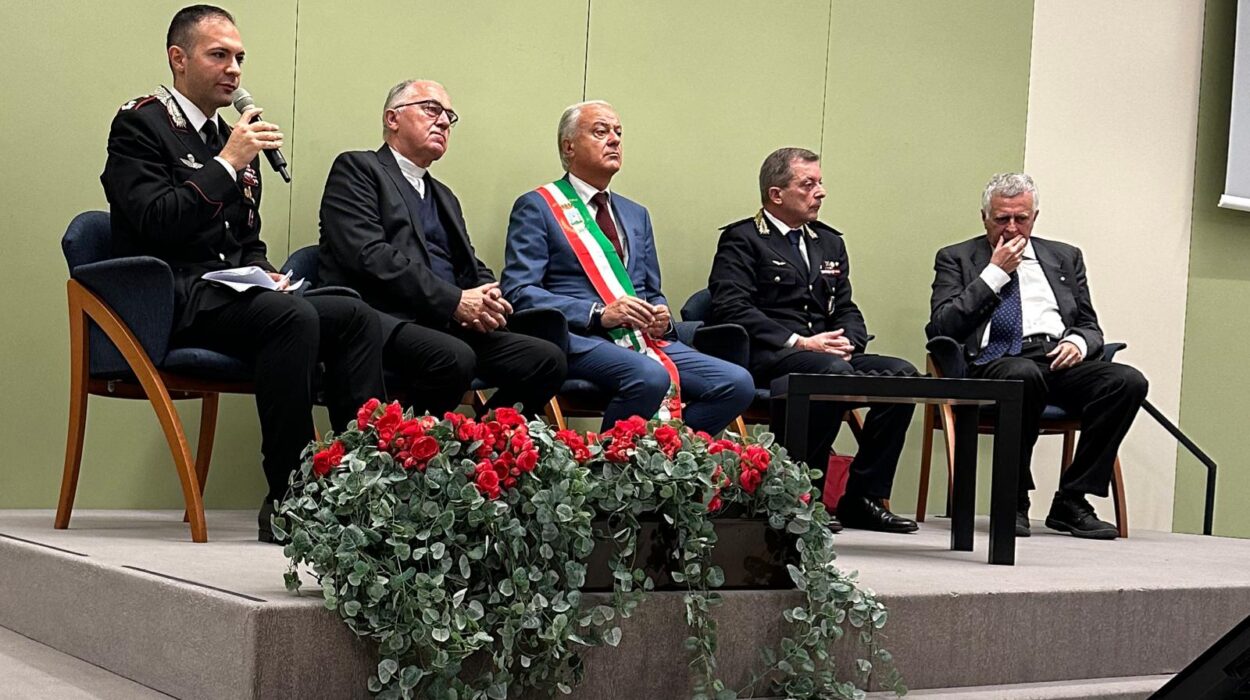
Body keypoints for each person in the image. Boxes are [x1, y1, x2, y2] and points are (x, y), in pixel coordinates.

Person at [100, 5, 385, 542]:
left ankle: (360, 487)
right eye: (219, 55)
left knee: (352, 314)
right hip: (171, 295)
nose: (234, 69)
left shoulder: (233, 138)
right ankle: (291, 499)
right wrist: (226, 164)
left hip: (234, 296)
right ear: (178, 59)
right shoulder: (142, 124)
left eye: (239, 58)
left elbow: (246, 241)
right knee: (290, 318)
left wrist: (267, 274)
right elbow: (155, 221)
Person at [500, 101, 754, 433]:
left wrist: (661, 315)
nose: (615, 140)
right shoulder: (538, 206)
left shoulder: (636, 214)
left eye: (618, 132)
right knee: (649, 376)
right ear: (569, 146)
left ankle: (666, 455)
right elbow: (519, 292)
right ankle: (609, 462)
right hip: (579, 337)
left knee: (737, 384)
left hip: (641, 337)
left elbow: (651, 291)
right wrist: (597, 313)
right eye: (601, 131)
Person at [318, 79, 566, 418]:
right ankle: (407, 444)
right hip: (383, 318)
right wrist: (455, 301)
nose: (445, 122)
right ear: (393, 118)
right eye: (432, 109)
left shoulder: (445, 195)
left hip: (445, 321)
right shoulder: (358, 169)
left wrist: (488, 296)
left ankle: (480, 441)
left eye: (450, 116)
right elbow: (368, 255)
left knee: (546, 359)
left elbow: (468, 264)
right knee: (453, 357)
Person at [708, 148, 919, 533]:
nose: (820, 192)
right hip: (772, 357)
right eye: (808, 185)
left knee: (902, 376)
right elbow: (730, 307)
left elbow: (845, 306)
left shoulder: (828, 242)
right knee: (829, 373)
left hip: (828, 355)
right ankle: (802, 495)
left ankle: (863, 498)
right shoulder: (744, 239)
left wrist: (849, 341)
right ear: (776, 195)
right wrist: (799, 342)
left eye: (820, 183)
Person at [926, 172, 1148, 539]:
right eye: (1002, 219)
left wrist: (1079, 343)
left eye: (1021, 218)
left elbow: (1089, 325)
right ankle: (1012, 500)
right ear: (984, 217)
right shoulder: (957, 258)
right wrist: (995, 273)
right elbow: (942, 326)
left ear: (1035, 217)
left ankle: (1072, 500)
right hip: (995, 361)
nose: (1012, 228)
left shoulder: (1064, 257)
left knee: (1127, 382)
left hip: (1056, 357)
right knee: (1023, 375)